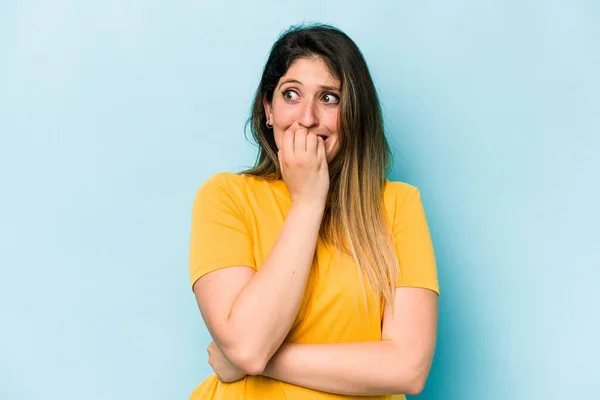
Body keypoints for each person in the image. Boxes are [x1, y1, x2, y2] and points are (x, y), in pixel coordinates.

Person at [188, 23, 439, 400]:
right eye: (291, 94)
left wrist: (247, 361)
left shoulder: (397, 205)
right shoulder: (225, 197)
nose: (307, 118)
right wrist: (307, 201)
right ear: (267, 108)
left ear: (354, 114)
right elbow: (249, 344)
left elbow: (408, 368)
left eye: (329, 98)